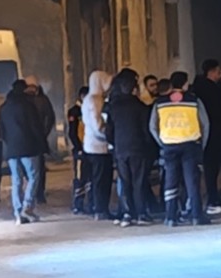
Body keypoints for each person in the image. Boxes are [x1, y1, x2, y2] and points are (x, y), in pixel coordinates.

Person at [150, 71, 211, 226]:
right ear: (185, 84)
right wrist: (201, 144)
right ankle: (197, 215)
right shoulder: (194, 100)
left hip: (169, 146)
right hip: (190, 144)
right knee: (192, 181)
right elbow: (206, 124)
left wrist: (162, 142)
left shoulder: (160, 102)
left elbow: (152, 127)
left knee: (170, 180)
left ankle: (170, 217)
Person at [105, 71, 154, 227]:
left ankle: (127, 213)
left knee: (125, 182)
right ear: (134, 89)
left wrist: (116, 144)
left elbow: (109, 132)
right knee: (138, 181)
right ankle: (141, 214)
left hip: (120, 150)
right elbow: (146, 131)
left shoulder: (113, 107)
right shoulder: (141, 107)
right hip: (138, 149)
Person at [0, 80, 46, 225]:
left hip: (11, 149)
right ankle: (28, 208)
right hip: (28, 147)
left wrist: (9, 143)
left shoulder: (4, 107)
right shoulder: (28, 106)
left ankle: (18, 212)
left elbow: (0, 131)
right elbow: (35, 127)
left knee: (16, 180)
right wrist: (42, 145)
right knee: (33, 177)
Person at [192, 59, 221, 214]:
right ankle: (211, 199)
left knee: (215, 167)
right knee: (210, 167)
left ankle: (215, 197)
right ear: (212, 71)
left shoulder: (216, 86)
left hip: (218, 131)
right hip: (210, 132)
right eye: (218, 70)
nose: (220, 73)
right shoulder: (205, 89)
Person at [82, 70, 114, 220]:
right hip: (99, 146)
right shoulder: (95, 100)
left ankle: (96, 206)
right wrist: (109, 136)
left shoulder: (90, 98)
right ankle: (101, 209)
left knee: (97, 179)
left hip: (92, 146)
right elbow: (97, 124)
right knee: (102, 180)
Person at [24, 75, 57, 205]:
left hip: (38, 139)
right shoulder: (25, 102)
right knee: (32, 168)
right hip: (30, 138)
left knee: (39, 167)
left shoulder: (42, 100)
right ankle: (35, 191)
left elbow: (50, 117)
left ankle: (39, 192)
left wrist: (44, 132)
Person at [68, 86, 89, 214]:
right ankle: (78, 205)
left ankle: (91, 203)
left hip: (91, 148)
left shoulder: (91, 108)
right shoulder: (75, 111)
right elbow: (72, 132)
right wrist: (78, 147)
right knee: (80, 178)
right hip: (80, 149)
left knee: (91, 178)